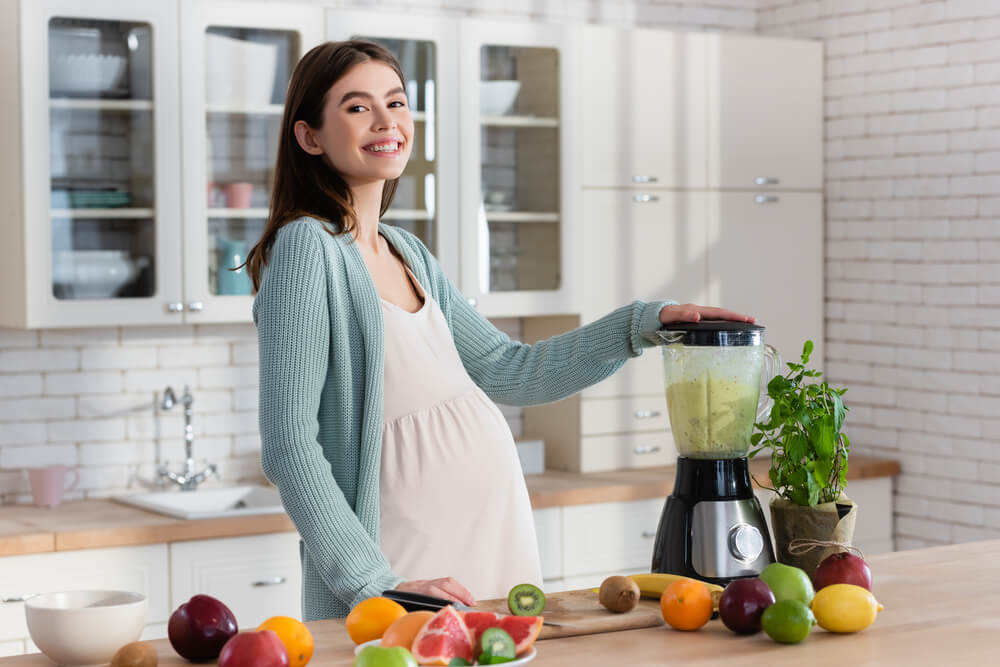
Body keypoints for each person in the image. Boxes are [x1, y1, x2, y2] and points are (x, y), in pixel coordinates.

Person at [246, 40, 755, 622]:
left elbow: (512, 370)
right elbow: (288, 444)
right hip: (403, 563)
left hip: (488, 541)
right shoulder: (307, 249)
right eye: (358, 108)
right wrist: (374, 583)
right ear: (310, 136)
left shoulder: (405, 250)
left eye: (397, 102)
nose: (387, 121)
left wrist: (640, 325)